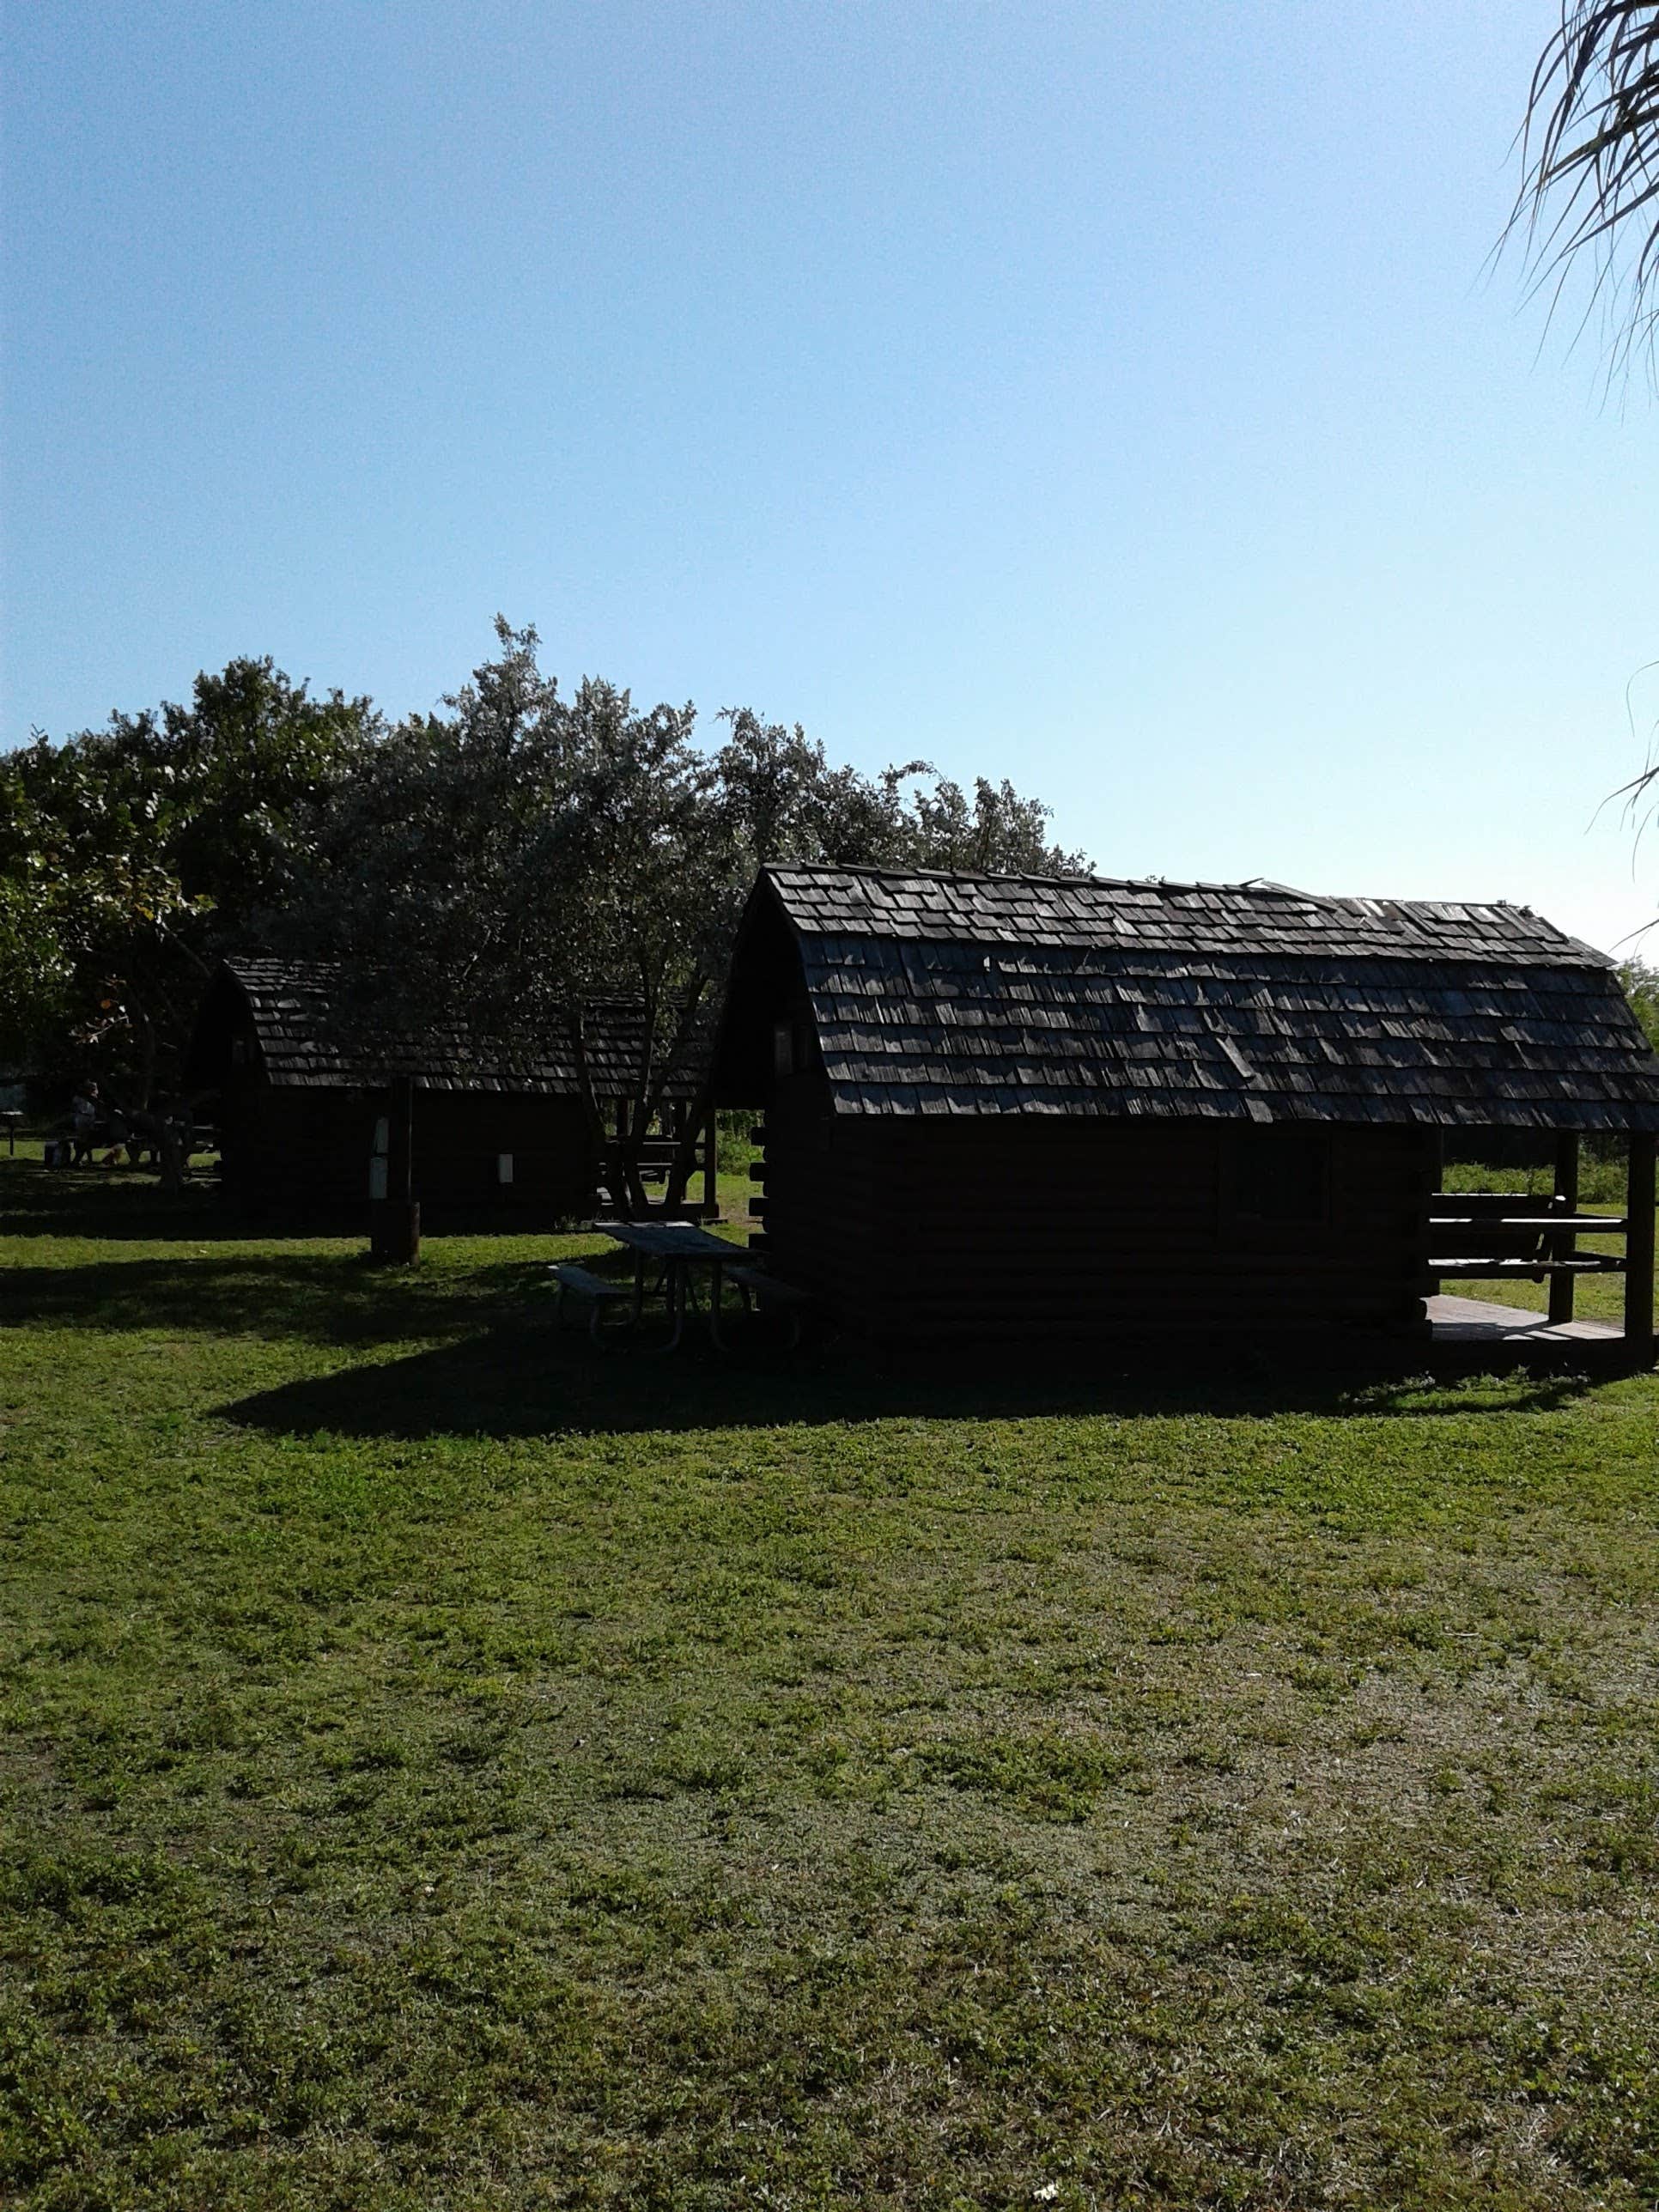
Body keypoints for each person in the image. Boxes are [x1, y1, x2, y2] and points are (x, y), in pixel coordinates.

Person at [70, 1081, 101, 1166]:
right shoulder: (79, 1097)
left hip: (91, 1118)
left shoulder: (94, 1097)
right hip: (82, 1117)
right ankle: (79, 1159)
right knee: (82, 1139)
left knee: (87, 1139)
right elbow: (74, 1107)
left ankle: (87, 1159)